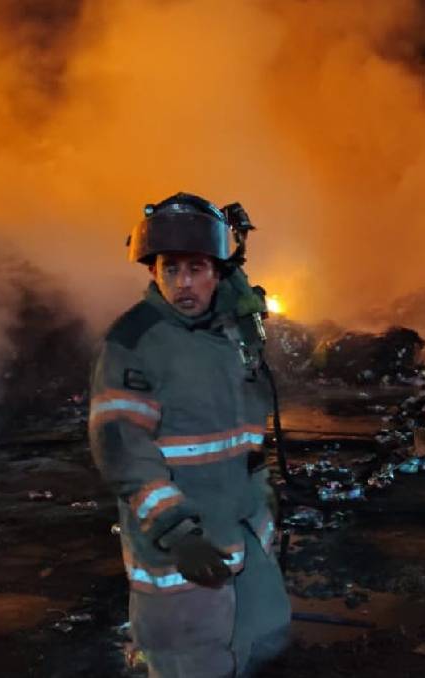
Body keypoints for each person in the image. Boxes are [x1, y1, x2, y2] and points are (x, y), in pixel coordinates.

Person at [88, 192, 289, 677]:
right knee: (187, 660)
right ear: (152, 272)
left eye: (196, 268)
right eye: (170, 268)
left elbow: (246, 434)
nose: (183, 283)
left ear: (217, 271)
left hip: (245, 534)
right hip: (181, 547)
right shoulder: (134, 342)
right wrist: (177, 533)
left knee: (261, 643)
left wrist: (263, 495)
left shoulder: (233, 335)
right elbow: (124, 450)